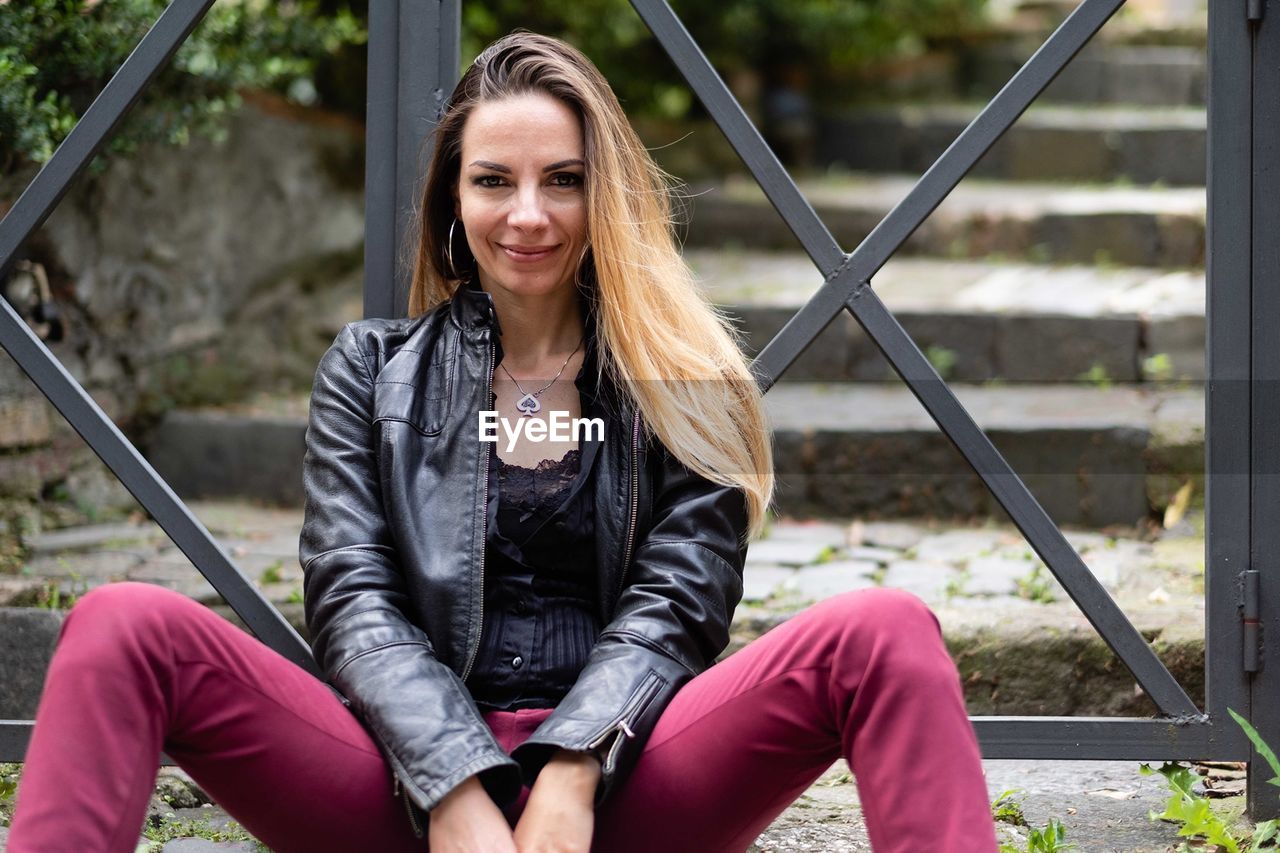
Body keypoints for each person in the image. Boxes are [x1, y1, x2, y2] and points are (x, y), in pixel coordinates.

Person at [7, 31, 997, 853]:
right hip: (402, 785)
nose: (527, 214)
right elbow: (353, 606)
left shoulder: (678, 376)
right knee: (122, 622)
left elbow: (673, 611)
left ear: (601, 196)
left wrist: (570, 776)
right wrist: (453, 787)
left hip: (625, 779)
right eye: (493, 180)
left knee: (883, 629)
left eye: (562, 180)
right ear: (452, 200)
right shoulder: (370, 369)